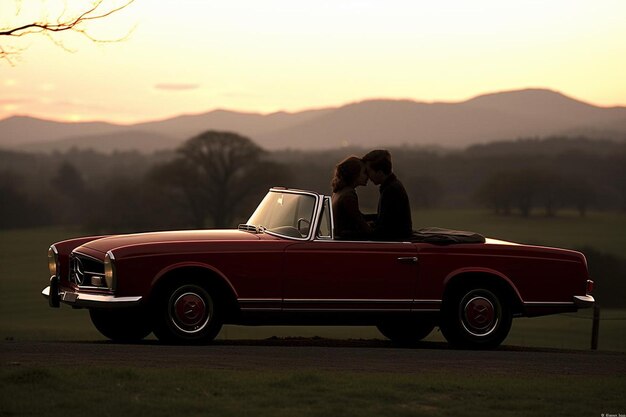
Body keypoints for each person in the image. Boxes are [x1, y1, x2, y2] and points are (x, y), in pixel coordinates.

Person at [362, 149, 413, 241]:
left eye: (369, 171)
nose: (368, 176)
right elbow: (385, 218)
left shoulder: (391, 190)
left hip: (397, 243)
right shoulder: (392, 186)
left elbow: (385, 227)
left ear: (380, 172)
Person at [331, 156, 371, 240]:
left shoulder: (339, 192)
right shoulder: (348, 195)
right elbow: (362, 226)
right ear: (355, 174)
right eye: (364, 172)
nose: (367, 176)